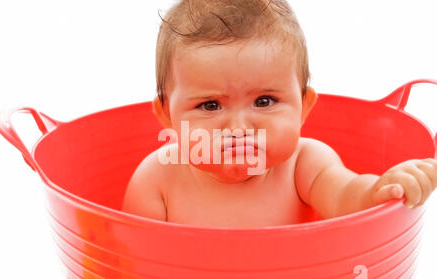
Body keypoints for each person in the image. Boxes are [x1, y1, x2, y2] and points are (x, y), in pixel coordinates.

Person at [122, 0, 437, 228]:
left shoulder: (304, 164)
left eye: (264, 101)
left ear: (303, 105)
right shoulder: (157, 179)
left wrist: (379, 190)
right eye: (210, 106)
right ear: (166, 115)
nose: (239, 127)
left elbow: (347, 197)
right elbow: (134, 264)